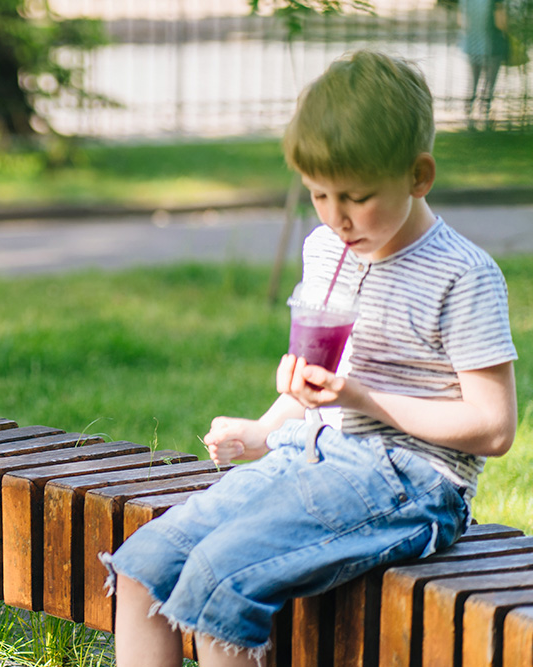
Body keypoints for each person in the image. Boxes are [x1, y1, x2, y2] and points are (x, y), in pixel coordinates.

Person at [101, 50, 517, 667]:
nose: (336, 216)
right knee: (144, 565)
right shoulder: (326, 249)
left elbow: (494, 426)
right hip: (312, 454)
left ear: (418, 176)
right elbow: (317, 380)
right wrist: (266, 430)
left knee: (221, 580)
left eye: (355, 196)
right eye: (318, 193)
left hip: (413, 481)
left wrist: (363, 399)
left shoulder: (463, 274)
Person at [459, 0, 510, 129]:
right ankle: (485, 115)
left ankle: (468, 115)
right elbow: (500, 23)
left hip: (472, 45)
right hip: (492, 45)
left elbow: (462, 21)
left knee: (473, 83)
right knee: (489, 84)